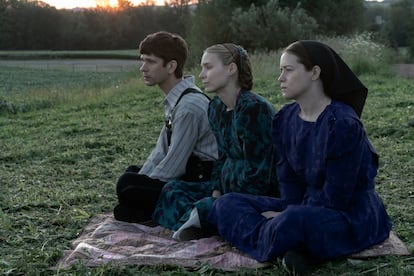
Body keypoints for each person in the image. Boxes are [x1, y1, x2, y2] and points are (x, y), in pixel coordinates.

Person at [207, 40, 392, 274]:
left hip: (349, 214)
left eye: (288, 70)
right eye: (280, 71)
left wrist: (286, 215)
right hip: (301, 205)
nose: (280, 78)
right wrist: (286, 210)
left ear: (315, 72)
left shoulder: (342, 123)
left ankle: (278, 239)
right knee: (227, 203)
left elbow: (337, 196)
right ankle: (286, 245)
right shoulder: (285, 118)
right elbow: (288, 180)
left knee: (295, 219)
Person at [152, 43, 278, 240]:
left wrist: (225, 199)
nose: (202, 75)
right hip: (225, 186)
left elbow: (260, 171)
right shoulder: (216, 107)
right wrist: (216, 190)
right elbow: (221, 157)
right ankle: (204, 221)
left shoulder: (253, 109)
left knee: (216, 207)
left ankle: (207, 220)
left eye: (208, 67)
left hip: (255, 192)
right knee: (172, 190)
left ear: (231, 69)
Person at [114, 31, 218, 223]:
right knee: (131, 176)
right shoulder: (177, 99)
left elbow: (173, 166)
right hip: (187, 172)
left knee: (127, 186)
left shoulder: (189, 106)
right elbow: (160, 151)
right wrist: (144, 179)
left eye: (151, 62)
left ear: (171, 66)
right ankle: (145, 208)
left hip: (200, 182)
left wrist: (143, 185)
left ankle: (155, 208)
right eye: (143, 60)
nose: (143, 68)